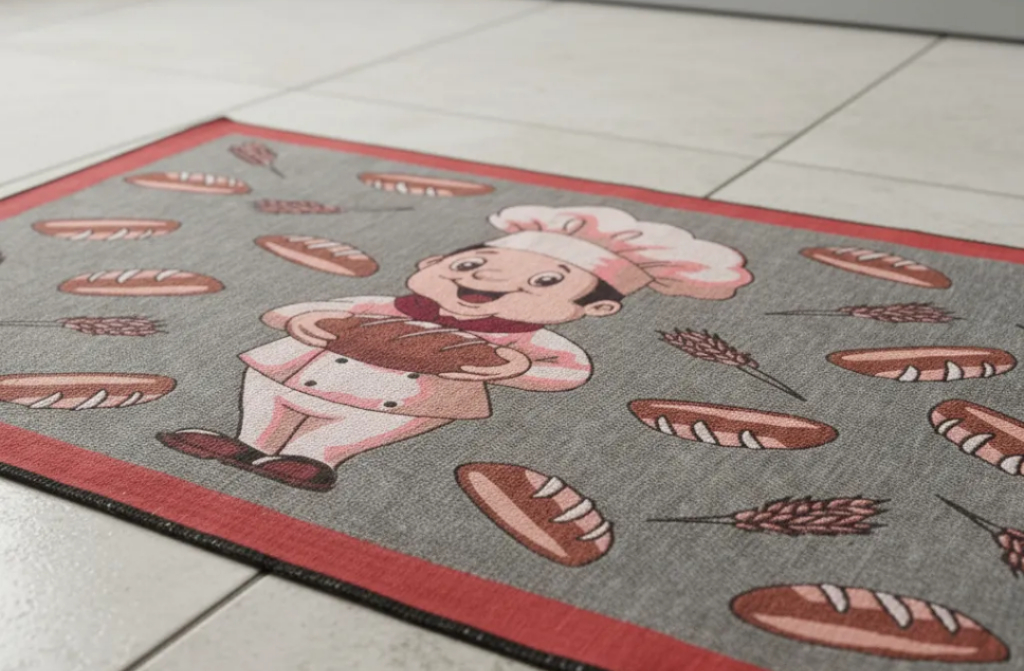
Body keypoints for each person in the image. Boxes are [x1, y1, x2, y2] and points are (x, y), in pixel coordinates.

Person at [158, 204, 752, 491]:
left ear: (594, 309)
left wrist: (513, 363)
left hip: (409, 398)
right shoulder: (389, 306)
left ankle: (317, 459)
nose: (487, 280)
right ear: (432, 262)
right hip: (297, 368)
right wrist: (307, 321)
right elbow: (299, 310)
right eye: (470, 265)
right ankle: (249, 444)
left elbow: (566, 371)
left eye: (545, 282)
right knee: (267, 401)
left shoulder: (530, 337)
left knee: (355, 428)